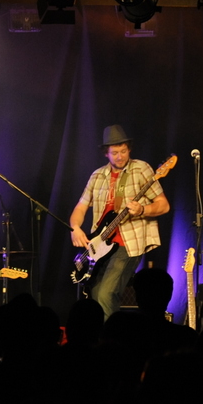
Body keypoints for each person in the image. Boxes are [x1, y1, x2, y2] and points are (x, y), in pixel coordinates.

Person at [69, 125, 171, 319]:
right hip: (99, 245)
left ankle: (111, 336)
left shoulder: (141, 169)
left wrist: (143, 210)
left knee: (106, 294)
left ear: (129, 149)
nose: (119, 157)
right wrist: (75, 228)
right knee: (96, 295)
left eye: (123, 151)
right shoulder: (97, 175)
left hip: (128, 244)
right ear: (105, 153)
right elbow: (81, 207)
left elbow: (163, 205)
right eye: (114, 153)